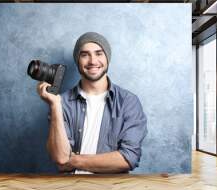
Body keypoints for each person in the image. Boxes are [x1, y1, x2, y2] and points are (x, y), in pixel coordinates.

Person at [37, 32, 147, 174]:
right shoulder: (62, 102)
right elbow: (60, 157)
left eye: (99, 53)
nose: (93, 61)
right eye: (85, 55)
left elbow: (128, 158)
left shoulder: (128, 102)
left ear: (107, 58)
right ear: (78, 60)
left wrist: (75, 161)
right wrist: (54, 105)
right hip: (71, 189)